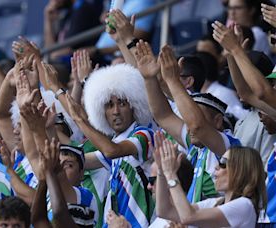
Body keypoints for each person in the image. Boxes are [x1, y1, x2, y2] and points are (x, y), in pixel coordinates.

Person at [134, 41, 240, 203]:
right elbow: (163, 116)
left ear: (218, 121)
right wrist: (149, 78)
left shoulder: (228, 146)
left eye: (195, 115)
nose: (189, 124)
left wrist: (173, 80)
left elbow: (198, 127)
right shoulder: (196, 146)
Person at [56, 63, 155, 227]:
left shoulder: (143, 135)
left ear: (133, 106)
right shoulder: (115, 143)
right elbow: (77, 160)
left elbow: (112, 151)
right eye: (109, 105)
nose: (115, 111)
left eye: (122, 103)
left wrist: (80, 120)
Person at [156, 138, 266, 227]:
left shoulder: (244, 205)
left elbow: (187, 217)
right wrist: (161, 172)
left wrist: (171, 174)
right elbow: (165, 211)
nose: (216, 167)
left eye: (223, 163)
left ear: (241, 171)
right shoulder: (215, 203)